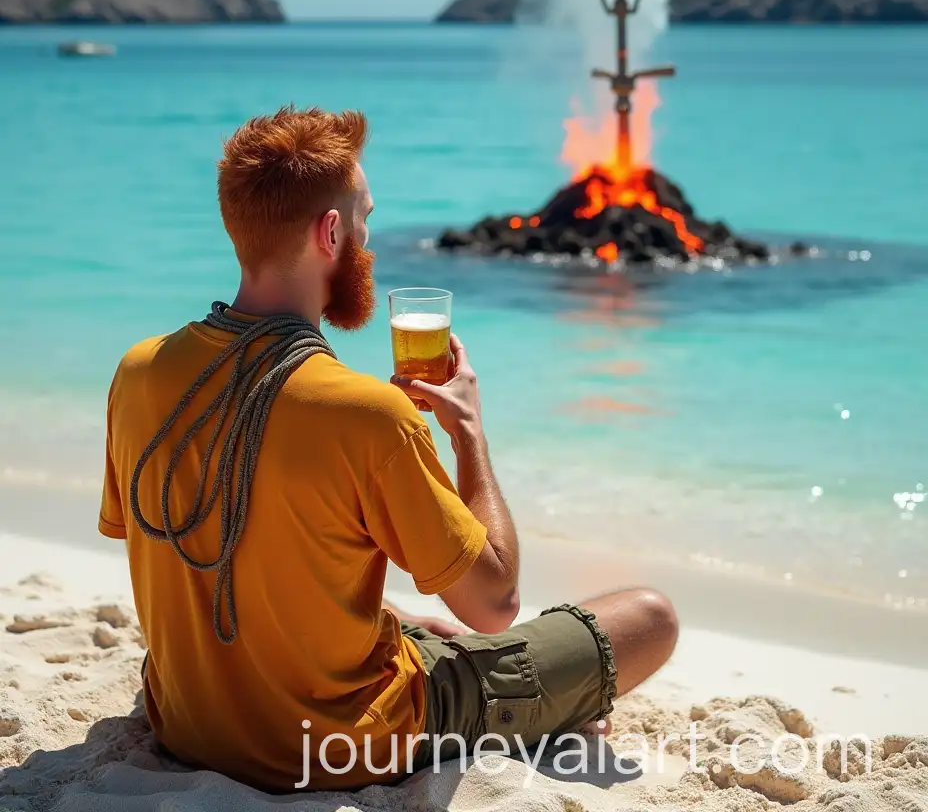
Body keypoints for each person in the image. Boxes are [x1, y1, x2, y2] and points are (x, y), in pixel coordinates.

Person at [99, 106, 678, 793]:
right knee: (649, 617)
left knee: (420, 626)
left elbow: (233, 556)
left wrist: (392, 620)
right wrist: (468, 434)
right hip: (336, 746)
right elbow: (493, 604)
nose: (368, 243)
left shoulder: (139, 373)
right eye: (364, 220)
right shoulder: (368, 416)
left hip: (189, 725)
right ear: (331, 232)